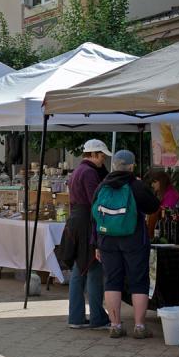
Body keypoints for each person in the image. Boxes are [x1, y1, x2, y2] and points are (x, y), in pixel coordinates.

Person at [94, 150, 160, 339]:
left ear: (113, 165)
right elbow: (154, 206)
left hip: (106, 239)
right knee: (138, 281)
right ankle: (139, 326)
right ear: (131, 166)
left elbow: (95, 216)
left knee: (112, 280)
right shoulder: (135, 185)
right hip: (133, 239)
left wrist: (96, 244)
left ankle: (115, 325)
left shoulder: (102, 186)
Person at [57, 139, 112, 330]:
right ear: (94, 154)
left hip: (76, 221)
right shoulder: (89, 173)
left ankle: (76, 317)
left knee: (79, 270)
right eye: (102, 156)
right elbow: (95, 201)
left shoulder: (78, 170)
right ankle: (97, 317)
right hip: (86, 222)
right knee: (94, 269)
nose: (103, 160)